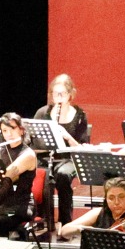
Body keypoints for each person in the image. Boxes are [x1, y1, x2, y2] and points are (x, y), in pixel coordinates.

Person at [33, 73, 91, 226]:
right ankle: (45, 221)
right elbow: (31, 139)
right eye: (55, 93)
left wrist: (66, 136)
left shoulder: (79, 115)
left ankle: (66, 222)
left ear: (70, 95)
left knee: (63, 175)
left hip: (69, 158)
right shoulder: (42, 113)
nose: (58, 97)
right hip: (46, 157)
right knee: (42, 174)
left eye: (62, 94)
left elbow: (82, 148)